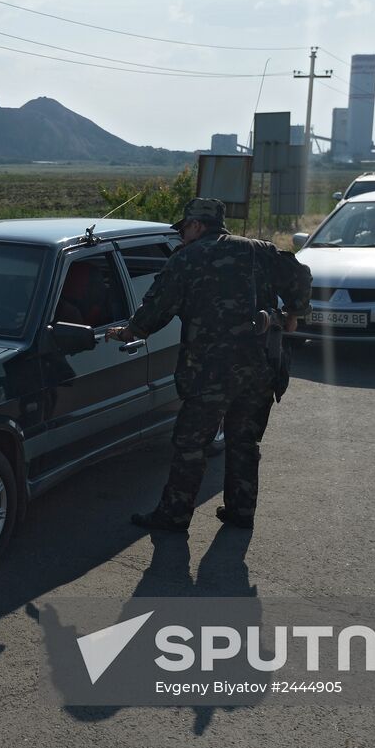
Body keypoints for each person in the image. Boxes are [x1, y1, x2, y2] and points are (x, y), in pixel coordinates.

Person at [106, 198, 312, 531]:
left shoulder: (187, 259)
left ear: (198, 225)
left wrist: (131, 331)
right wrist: (294, 313)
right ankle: (241, 512)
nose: (182, 236)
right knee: (244, 442)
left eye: (184, 228)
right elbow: (300, 275)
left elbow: (157, 307)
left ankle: (174, 516)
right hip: (259, 368)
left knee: (191, 444)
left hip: (209, 372)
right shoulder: (260, 249)